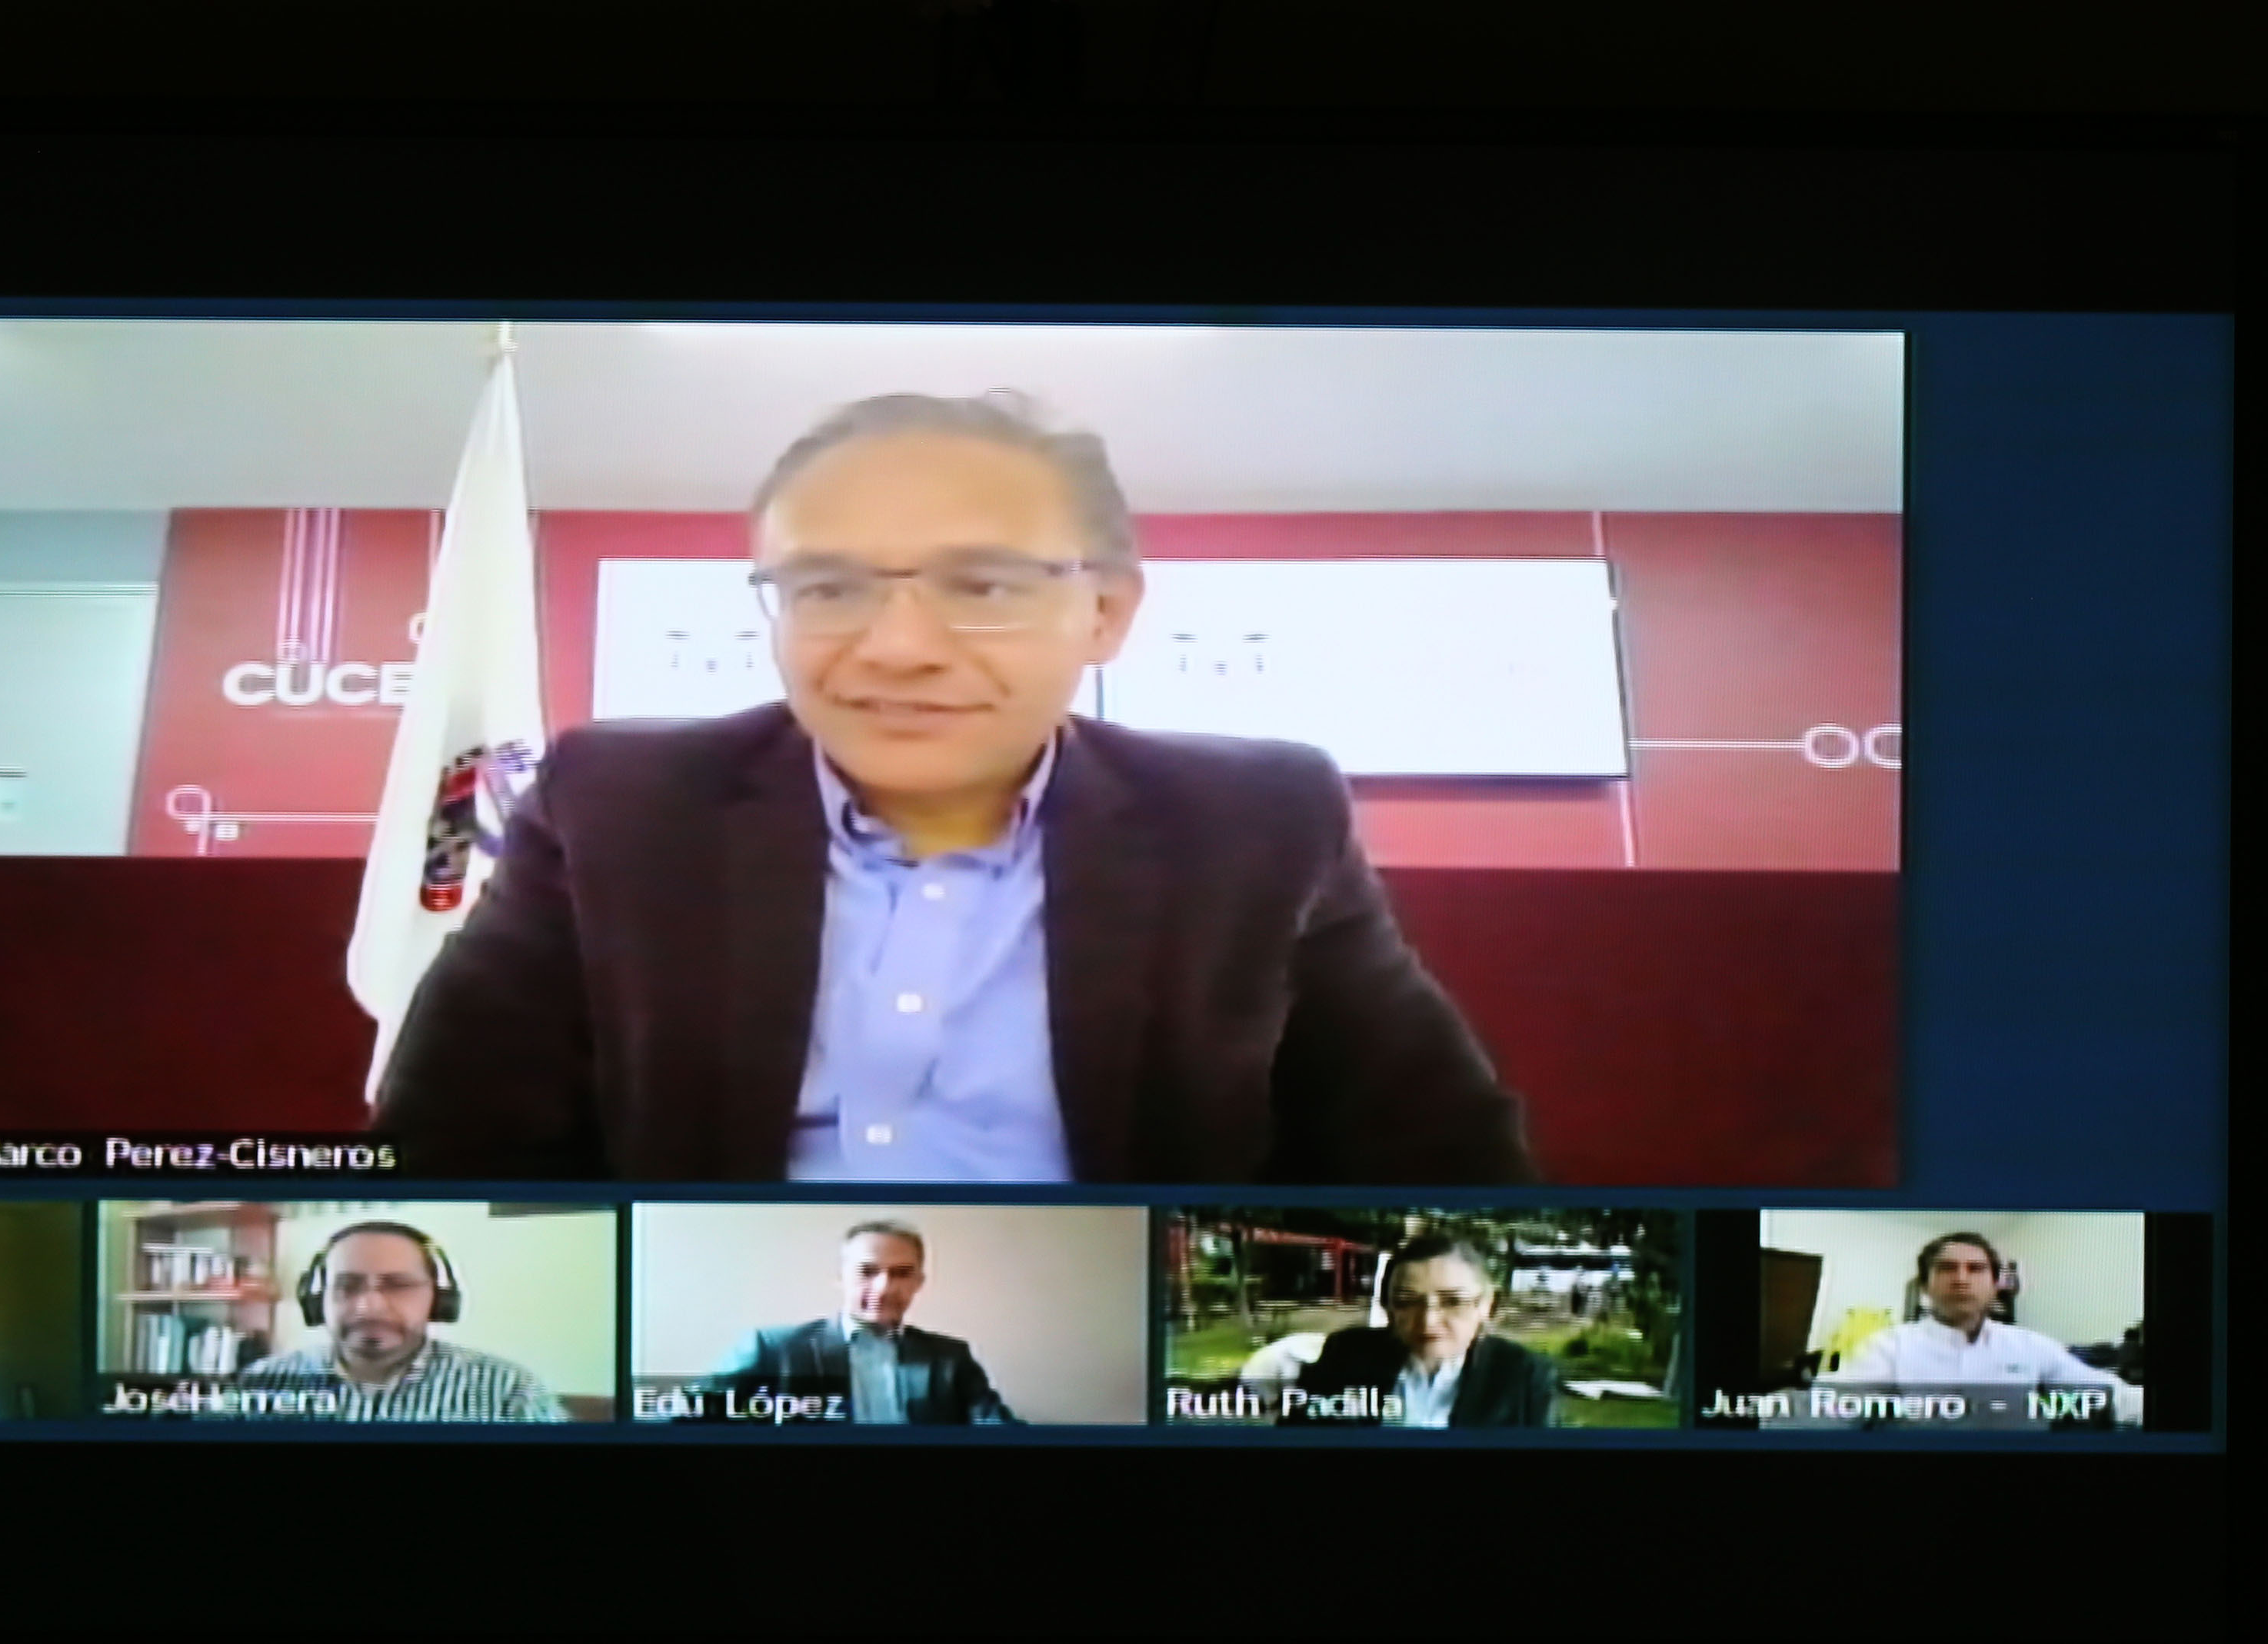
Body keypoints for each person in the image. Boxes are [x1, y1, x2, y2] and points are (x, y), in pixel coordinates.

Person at [375, 391, 1532, 1184]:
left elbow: (1436, 1160)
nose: (895, 648)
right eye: (827, 588)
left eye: (980, 587)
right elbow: (451, 1152)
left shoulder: (1257, 822)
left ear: (1105, 612)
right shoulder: (617, 804)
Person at [234, 1222, 565, 1421]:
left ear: (439, 1299)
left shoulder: (508, 1390)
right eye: (347, 1286)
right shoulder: (261, 1382)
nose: (369, 1306)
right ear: (317, 1300)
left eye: (398, 1286)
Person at [704, 1220, 1020, 1424]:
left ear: (918, 1283)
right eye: (867, 1272)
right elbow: (694, 1416)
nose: (884, 1288)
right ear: (841, 1278)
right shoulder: (773, 1349)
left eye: (901, 1274)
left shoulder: (951, 1356)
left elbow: (996, 1427)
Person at [1822, 1233, 2136, 1419]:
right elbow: (1832, 1411)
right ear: (1925, 1286)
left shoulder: (2031, 1346)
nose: (1961, 1279)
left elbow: (2110, 1395)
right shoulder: (1888, 1347)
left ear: (1996, 1285)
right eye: (1947, 1269)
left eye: (1975, 1269)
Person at [1285, 1232, 1558, 1427]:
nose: (1428, 1322)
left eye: (1452, 1302)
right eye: (1406, 1303)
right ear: (1388, 1307)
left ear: (1487, 1305)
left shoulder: (1524, 1375)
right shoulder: (1345, 1354)